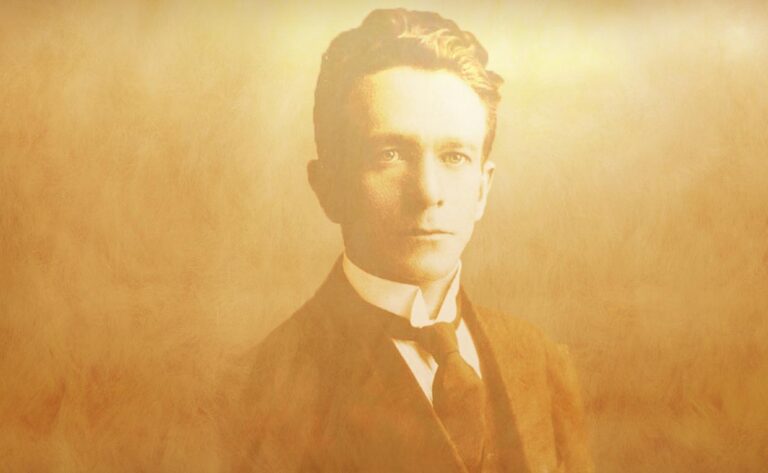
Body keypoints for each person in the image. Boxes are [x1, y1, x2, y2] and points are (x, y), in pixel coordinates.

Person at [228, 8, 593, 473]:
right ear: (328, 187)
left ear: (483, 190)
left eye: (454, 156)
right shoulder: (255, 392)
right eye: (390, 154)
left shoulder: (540, 361)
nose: (427, 192)